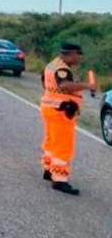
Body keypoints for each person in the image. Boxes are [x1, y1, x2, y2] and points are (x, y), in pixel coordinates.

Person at [40, 42, 96, 196]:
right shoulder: (62, 68)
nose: (79, 58)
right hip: (62, 111)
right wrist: (87, 86)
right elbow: (64, 85)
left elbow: (44, 83)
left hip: (50, 107)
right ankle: (59, 179)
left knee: (51, 142)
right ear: (71, 54)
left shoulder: (52, 65)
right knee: (63, 146)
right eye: (78, 55)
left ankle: (48, 169)